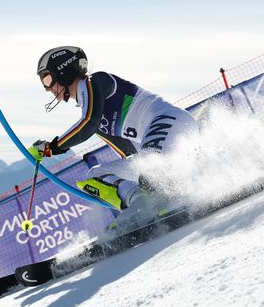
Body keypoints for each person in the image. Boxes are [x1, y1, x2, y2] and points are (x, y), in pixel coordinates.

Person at [27, 46, 198, 217]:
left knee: (152, 172)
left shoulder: (95, 81)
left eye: (47, 80)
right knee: (95, 176)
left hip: (168, 121)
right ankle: (141, 207)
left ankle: (153, 206)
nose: (47, 89)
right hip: (160, 141)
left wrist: (51, 147)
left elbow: (88, 123)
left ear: (62, 71)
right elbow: (129, 153)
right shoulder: (95, 115)